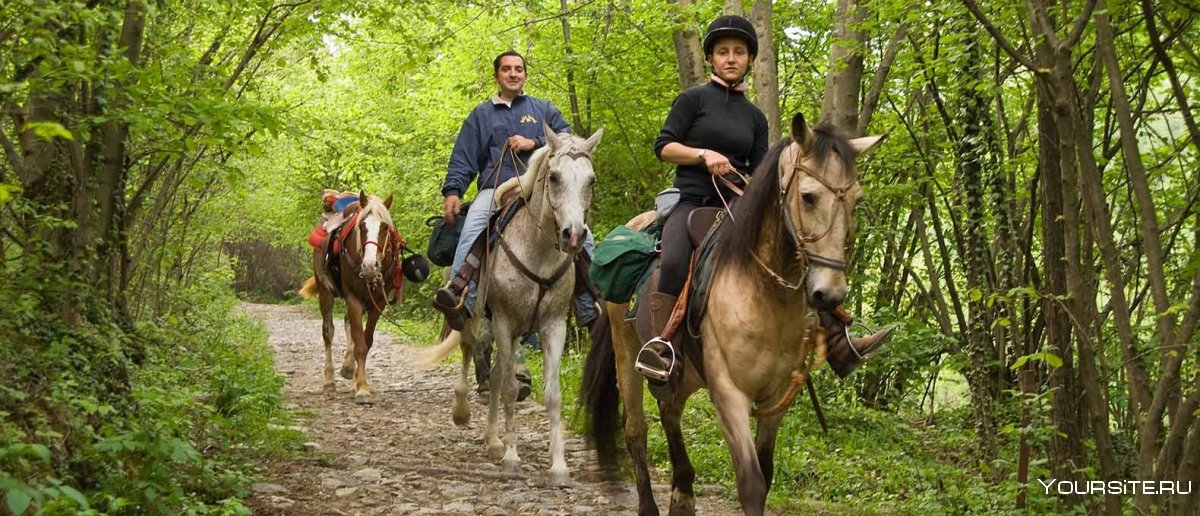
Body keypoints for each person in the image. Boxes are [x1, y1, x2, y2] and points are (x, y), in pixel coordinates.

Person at [634, 15, 890, 390]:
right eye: (723, 52)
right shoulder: (692, 100)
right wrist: (704, 154)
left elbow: (758, 168)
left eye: (739, 52)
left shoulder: (754, 116)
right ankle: (662, 348)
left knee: (795, 252)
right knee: (672, 262)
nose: (731, 58)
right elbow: (665, 147)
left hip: (737, 205)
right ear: (711, 59)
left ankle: (838, 339)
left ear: (750, 59)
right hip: (692, 204)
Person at [433, 50, 599, 400]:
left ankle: (590, 303)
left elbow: (571, 146)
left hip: (542, 191)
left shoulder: (543, 110)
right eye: (506, 69)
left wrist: (535, 142)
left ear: (525, 74)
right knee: (475, 226)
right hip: (498, 188)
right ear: (497, 76)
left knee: (583, 235)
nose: (513, 74)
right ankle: (462, 292)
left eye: (519, 69)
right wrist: (453, 190)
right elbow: (463, 156)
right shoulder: (481, 114)